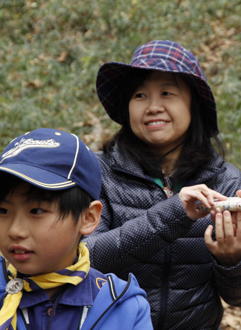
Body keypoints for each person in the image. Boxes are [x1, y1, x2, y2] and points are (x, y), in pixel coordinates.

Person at [84, 40, 241, 330]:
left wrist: (234, 260)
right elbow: (85, 258)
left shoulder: (225, 179)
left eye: (167, 93)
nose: (153, 107)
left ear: (194, 104)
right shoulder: (98, 172)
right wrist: (174, 213)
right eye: (140, 95)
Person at [0, 128, 152, 330]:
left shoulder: (123, 308)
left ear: (88, 218)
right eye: (3, 210)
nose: (15, 231)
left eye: (36, 211)